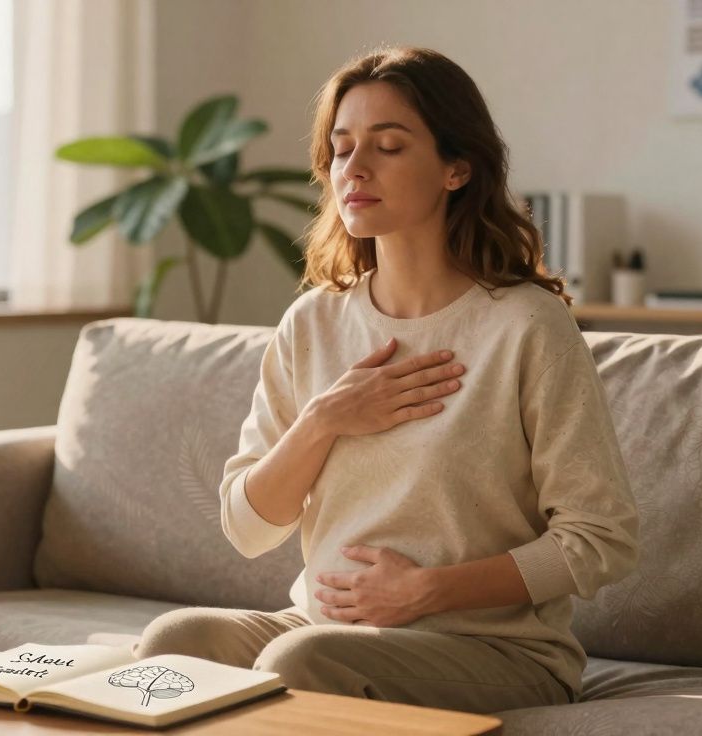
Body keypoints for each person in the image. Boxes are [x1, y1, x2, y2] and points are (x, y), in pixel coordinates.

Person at [133, 45, 639, 715]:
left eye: (389, 146)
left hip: (491, 649)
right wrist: (324, 421)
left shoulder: (526, 325)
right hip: (326, 630)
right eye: (341, 149)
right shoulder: (312, 322)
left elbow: (600, 540)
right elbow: (248, 528)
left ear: (457, 168)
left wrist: (428, 591)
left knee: (299, 661)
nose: (355, 168)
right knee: (176, 642)